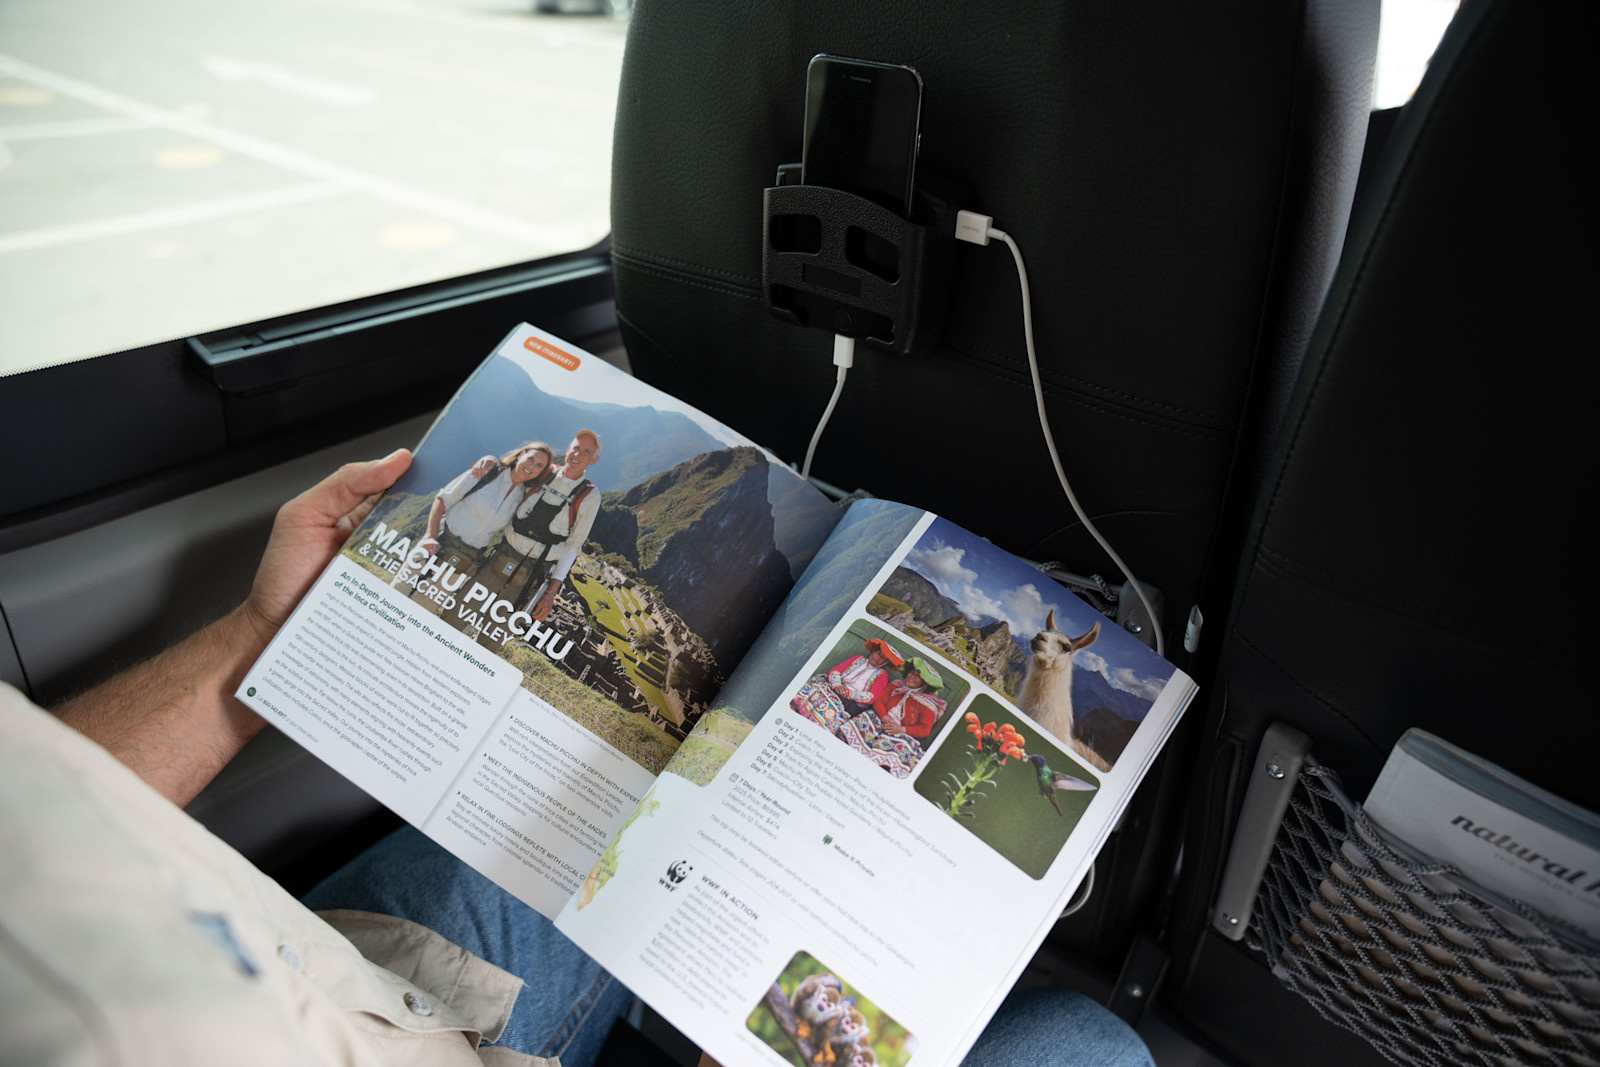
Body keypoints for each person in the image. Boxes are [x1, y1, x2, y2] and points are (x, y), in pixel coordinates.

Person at [0, 452, 1155, 1067]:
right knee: (1094, 1044)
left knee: (618, 788)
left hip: (315, 980)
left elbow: (33, 803)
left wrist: (267, 634)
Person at [476, 429, 603, 628]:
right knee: (458, 613)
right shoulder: (544, 472)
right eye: (576, 448)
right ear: (569, 449)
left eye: (586, 452)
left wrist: (551, 593)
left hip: (530, 576)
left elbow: (572, 546)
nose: (578, 455)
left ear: (593, 460)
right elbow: (511, 476)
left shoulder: (589, 496)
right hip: (500, 557)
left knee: (495, 634)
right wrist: (491, 461)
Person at [410, 440, 558, 600]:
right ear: (521, 455)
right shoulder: (488, 472)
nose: (531, 467)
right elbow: (442, 500)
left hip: (464, 561)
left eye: (539, 466)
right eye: (530, 459)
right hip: (438, 544)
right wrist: (430, 536)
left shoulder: (523, 497)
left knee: (425, 607)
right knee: (398, 591)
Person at [826, 637, 903, 716]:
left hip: (852, 703)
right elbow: (836, 671)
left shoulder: (882, 675)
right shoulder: (857, 659)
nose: (878, 657)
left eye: (883, 658)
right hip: (837, 688)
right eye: (878, 653)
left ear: (886, 663)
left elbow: (871, 697)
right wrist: (837, 685)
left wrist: (848, 693)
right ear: (874, 651)